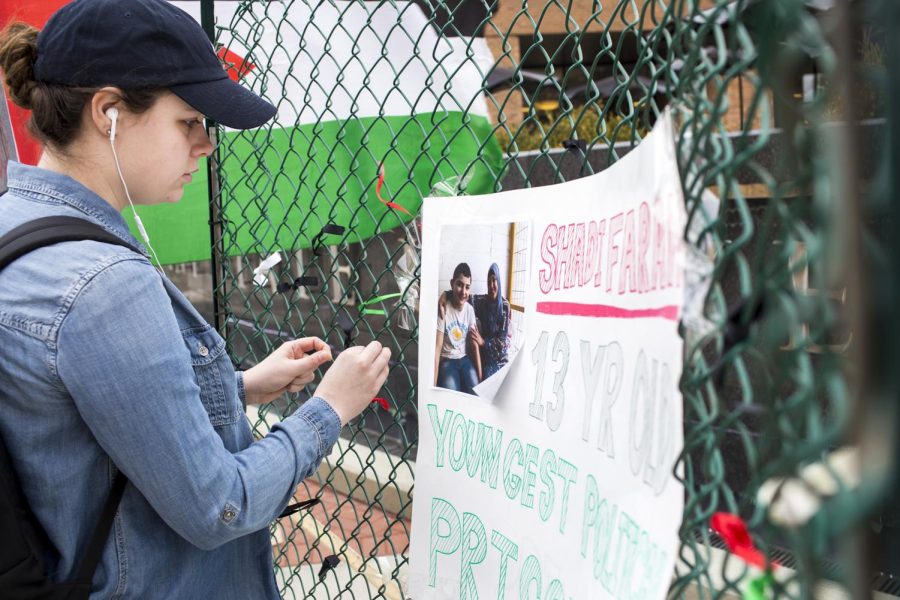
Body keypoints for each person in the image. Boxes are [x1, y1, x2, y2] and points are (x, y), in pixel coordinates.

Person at [0, 1, 390, 598]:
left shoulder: (17, 223)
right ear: (108, 112)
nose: (206, 145)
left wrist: (243, 385)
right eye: (188, 121)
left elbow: (89, 414)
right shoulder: (104, 284)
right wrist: (330, 409)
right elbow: (219, 506)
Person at [438, 263, 511, 381]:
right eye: (488, 282)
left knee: (496, 384)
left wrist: (483, 342)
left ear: (499, 282)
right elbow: (463, 295)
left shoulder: (505, 306)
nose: (491, 285)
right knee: (482, 383)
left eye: (494, 280)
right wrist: (445, 294)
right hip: (485, 356)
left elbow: (501, 343)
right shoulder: (482, 301)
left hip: (499, 358)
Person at [433, 262, 479, 394]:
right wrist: (433, 385)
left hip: (465, 360)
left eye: (467, 287)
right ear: (452, 283)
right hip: (447, 361)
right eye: (459, 285)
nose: (463, 292)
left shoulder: (470, 310)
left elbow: (474, 344)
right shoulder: (443, 308)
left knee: (476, 394)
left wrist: (480, 378)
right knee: (452, 394)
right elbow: (437, 348)